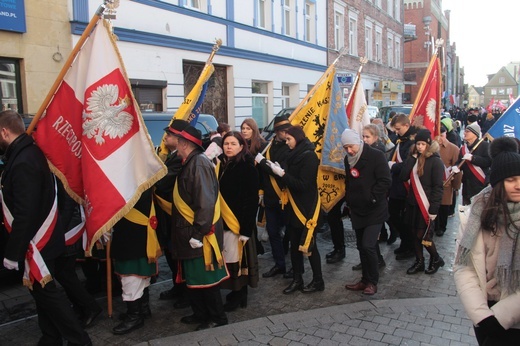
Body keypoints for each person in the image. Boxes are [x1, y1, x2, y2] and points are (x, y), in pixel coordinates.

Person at [0, 110, 91, 345]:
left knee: (48, 293)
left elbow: (25, 212)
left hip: (38, 240)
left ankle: (79, 340)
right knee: (41, 292)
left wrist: (13, 252)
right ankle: (51, 336)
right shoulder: (27, 154)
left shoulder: (23, 161)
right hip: (43, 238)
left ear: (4, 132)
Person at [454, 136, 520, 345]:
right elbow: (464, 267)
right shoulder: (476, 214)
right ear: (498, 183)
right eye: (511, 180)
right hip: (484, 314)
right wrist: (483, 316)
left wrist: (501, 316)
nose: (518, 185)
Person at [171, 125, 229, 330]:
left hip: (198, 235)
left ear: (185, 144)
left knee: (207, 280)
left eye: (177, 140)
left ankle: (216, 317)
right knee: (195, 279)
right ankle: (200, 313)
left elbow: (205, 203)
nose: (174, 144)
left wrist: (198, 233)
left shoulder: (199, 164)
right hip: (189, 233)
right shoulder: (191, 162)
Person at [266, 125, 323, 294]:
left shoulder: (309, 157)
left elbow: (303, 185)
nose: (287, 143)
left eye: (289, 139)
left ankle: (318, 280)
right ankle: (297, 279)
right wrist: (277, 171)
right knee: (294, 245)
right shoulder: (292, 155)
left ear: (297, 139)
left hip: (305, 208)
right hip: (291, 206)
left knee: (309, 246)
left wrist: (283, 174)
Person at [342, 129, 391, 295]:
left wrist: (373, 198)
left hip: (374, 209)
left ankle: (373, 281)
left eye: (351, 146)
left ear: (359, 143)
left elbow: (385, 180)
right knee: (360, 246)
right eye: (345, 147)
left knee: (368, 245)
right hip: (357, 209)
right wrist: (348, 200)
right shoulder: (348, 159)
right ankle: (364, 279)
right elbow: (349, 182)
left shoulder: (376, 156)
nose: (349, 151)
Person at [217, 131, 260, 311]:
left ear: (242, 146)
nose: (229, 147)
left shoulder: (246, 166)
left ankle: (239, 295)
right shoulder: (226, 164)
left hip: (239, 223)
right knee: (230, 259)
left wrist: (245, 229)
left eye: (233, 144)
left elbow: (251, 200)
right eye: (226, 143)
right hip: (226, 221)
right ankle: (236, 293)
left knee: (238, 261)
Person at [111, 188, 161, 335]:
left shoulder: (136, 179)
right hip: (131, 232)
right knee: (137, 275)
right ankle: (142, 309)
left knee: (131, 276)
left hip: (133, 234)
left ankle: (135, 316)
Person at [54, 181, 102, 328]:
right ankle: (81, 307)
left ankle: (90, 307)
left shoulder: (63, 173)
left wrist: (57, 233)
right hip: (63, 228)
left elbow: (68, 207)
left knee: (65, 274)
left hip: (67, 230)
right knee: (64, 274)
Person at [154, 120, 190, 309]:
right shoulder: (171, 155)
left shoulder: (181, 159)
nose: (165, 138)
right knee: (170, 253)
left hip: (175, 214)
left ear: (179, 139)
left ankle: (185, 291)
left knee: (178, 255)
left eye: (169, 135)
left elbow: (164, 182)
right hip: (167, 216)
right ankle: (177, 286)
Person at [399, 129, 444, 275]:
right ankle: (419, 261)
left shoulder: (436, 161)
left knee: (423, 235)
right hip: (413, 203)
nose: (419, 147)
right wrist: (412, 159)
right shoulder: (414, 158)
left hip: (426, 204)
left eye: (423, 144)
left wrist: (434, 209)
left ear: (428, 144)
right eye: (418, 143)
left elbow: (438, 187)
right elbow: (403, 176)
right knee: (414, 234)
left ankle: (435, 257)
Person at [255, 115, 292, 278]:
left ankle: (294, 264)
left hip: (285, 196)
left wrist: (262, 162)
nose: (287, 134)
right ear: (277, 132)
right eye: (284, 131)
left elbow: (280, 171)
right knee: (273, 231)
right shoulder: (268, 147)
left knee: (290, 231)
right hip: (270, 197)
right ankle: (279, 264)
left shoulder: (290, 148)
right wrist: (261, 191)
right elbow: (263, 174)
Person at [388, 114, 417, 260]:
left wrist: (393, 166)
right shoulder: (400, 139)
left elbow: (408, 165)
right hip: (395, 185)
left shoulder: (412, 142)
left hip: (406, 186)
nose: (396, 132)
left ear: (406, 125)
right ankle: (405, 242)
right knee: (392, 215)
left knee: (405, 219)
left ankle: (409, 246)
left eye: (398, 129)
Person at [452, 122, 491, 206]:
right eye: (465, 131)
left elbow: (488, 162)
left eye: (467, 131)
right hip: (467, 186)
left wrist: (473, 159)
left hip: (480, 184)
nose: (464, 133)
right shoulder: (463, 148)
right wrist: (456, 167)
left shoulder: (485, 145)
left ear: (475, 134)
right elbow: (460, 161)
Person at [435, 126, 462, 237]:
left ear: (446, 134)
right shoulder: (432, 147)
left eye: (442, 135)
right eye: (438, 136)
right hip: (433, 182)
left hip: (446, 182)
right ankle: (435, 226)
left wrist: (456, 185)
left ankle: (442, 227)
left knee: (443, 207)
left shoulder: (453, 148)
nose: (440, 138)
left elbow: (458, 168)